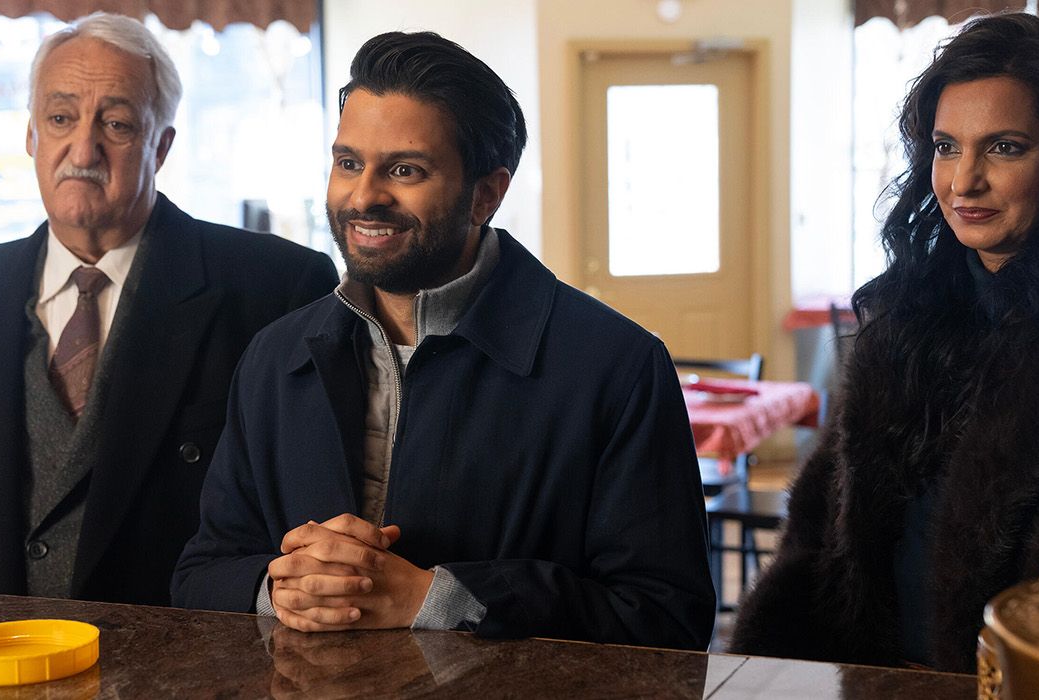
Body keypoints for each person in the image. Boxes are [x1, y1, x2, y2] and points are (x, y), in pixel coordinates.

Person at [172, 31, 715, 651]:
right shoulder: (273, 357)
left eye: (405, 170)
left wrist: (439, 598)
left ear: (487, 194)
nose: (364, 195)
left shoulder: (617, 367)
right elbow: (201, 572)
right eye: (349, 162)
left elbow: (667, 617)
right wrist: (281, 586)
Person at [730, 13, 1039, 672]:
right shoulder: (901, 329)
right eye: (946, 146)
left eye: (1005, 147)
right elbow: (815, 546)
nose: (963, 182)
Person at [0, 12, 338, 606]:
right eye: (60, 118)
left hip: (184, 666)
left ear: (162, 145)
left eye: (117, 123)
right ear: (31, 136)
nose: (83, 148)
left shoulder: (275, 287)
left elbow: (305, 516)